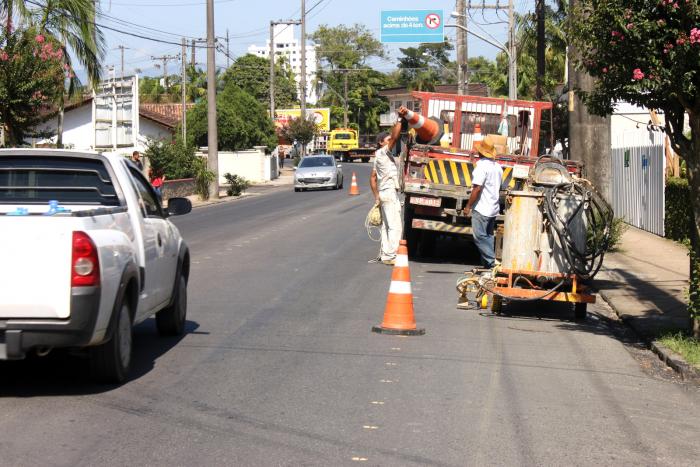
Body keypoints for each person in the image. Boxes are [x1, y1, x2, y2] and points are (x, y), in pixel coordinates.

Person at [369, 107, 407, 265]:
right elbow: (395, 137)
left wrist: (376, 196)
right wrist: (399, 119)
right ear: (381, 143)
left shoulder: (378, 156)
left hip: (384, 193)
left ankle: (385, 254)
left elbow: (372, 178)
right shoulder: (383, 152)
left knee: (386, 227)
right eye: (388, 139)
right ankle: (391, 256)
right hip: (389, 193)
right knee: (396, 227)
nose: (391, 141)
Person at [464, 135, 503, 269]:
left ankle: (492, 263)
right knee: (488, 236)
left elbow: (477, 188)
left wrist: (468, 206)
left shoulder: (481, 167)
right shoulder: (498, 167)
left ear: (480, 152)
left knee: (479, 236)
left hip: (482, 208)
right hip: (493, 207)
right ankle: (488, 265)